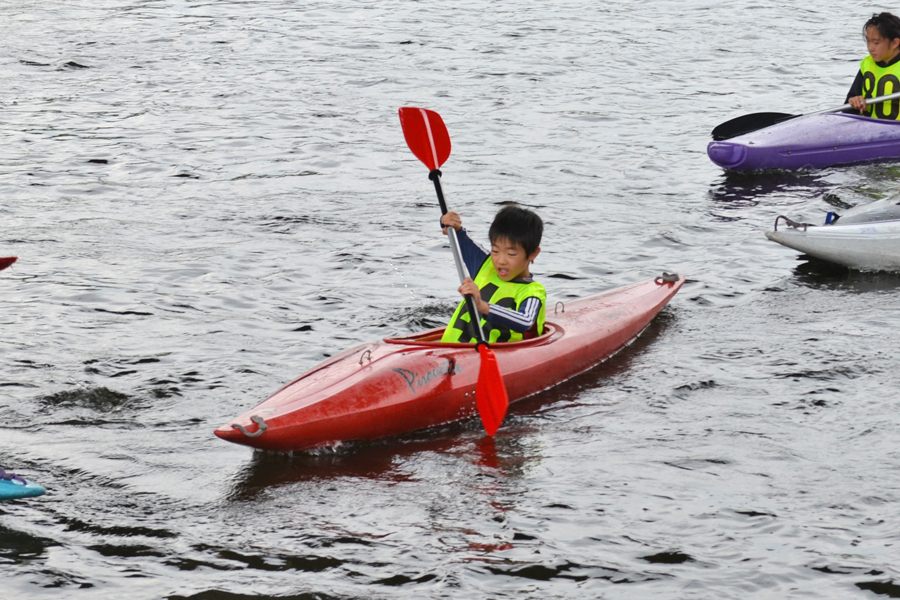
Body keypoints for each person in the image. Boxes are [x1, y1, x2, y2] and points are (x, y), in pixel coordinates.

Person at [439, 205, 545, 344]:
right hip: (449, 351)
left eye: (511, 254)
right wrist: (449, 223)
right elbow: (457, 237)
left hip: (497, 358)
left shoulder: (532, 291)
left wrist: (482, 306)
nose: (500, 261)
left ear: (533, 254)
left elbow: (525, 321)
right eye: (495, 251)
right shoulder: (485, 265)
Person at [846, 12, 900, 119]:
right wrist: (854, 101)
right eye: (868, 41)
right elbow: (848, 109)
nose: (870, 48)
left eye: (876, 43)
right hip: (870, 130)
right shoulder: (867, 64)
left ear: (894, 43)